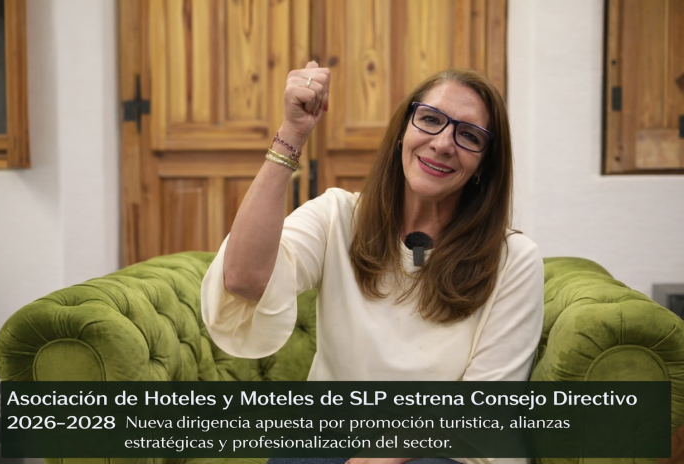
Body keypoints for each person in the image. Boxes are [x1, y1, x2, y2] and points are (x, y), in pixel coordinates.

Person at [201, 62, 544, 464]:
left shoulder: (515, 260)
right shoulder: (337, 216)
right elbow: (243, 279)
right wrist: (292, 134)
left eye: (469, 135)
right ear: (402, 131)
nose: (442, 143)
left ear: (484, 164)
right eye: (430, 119)